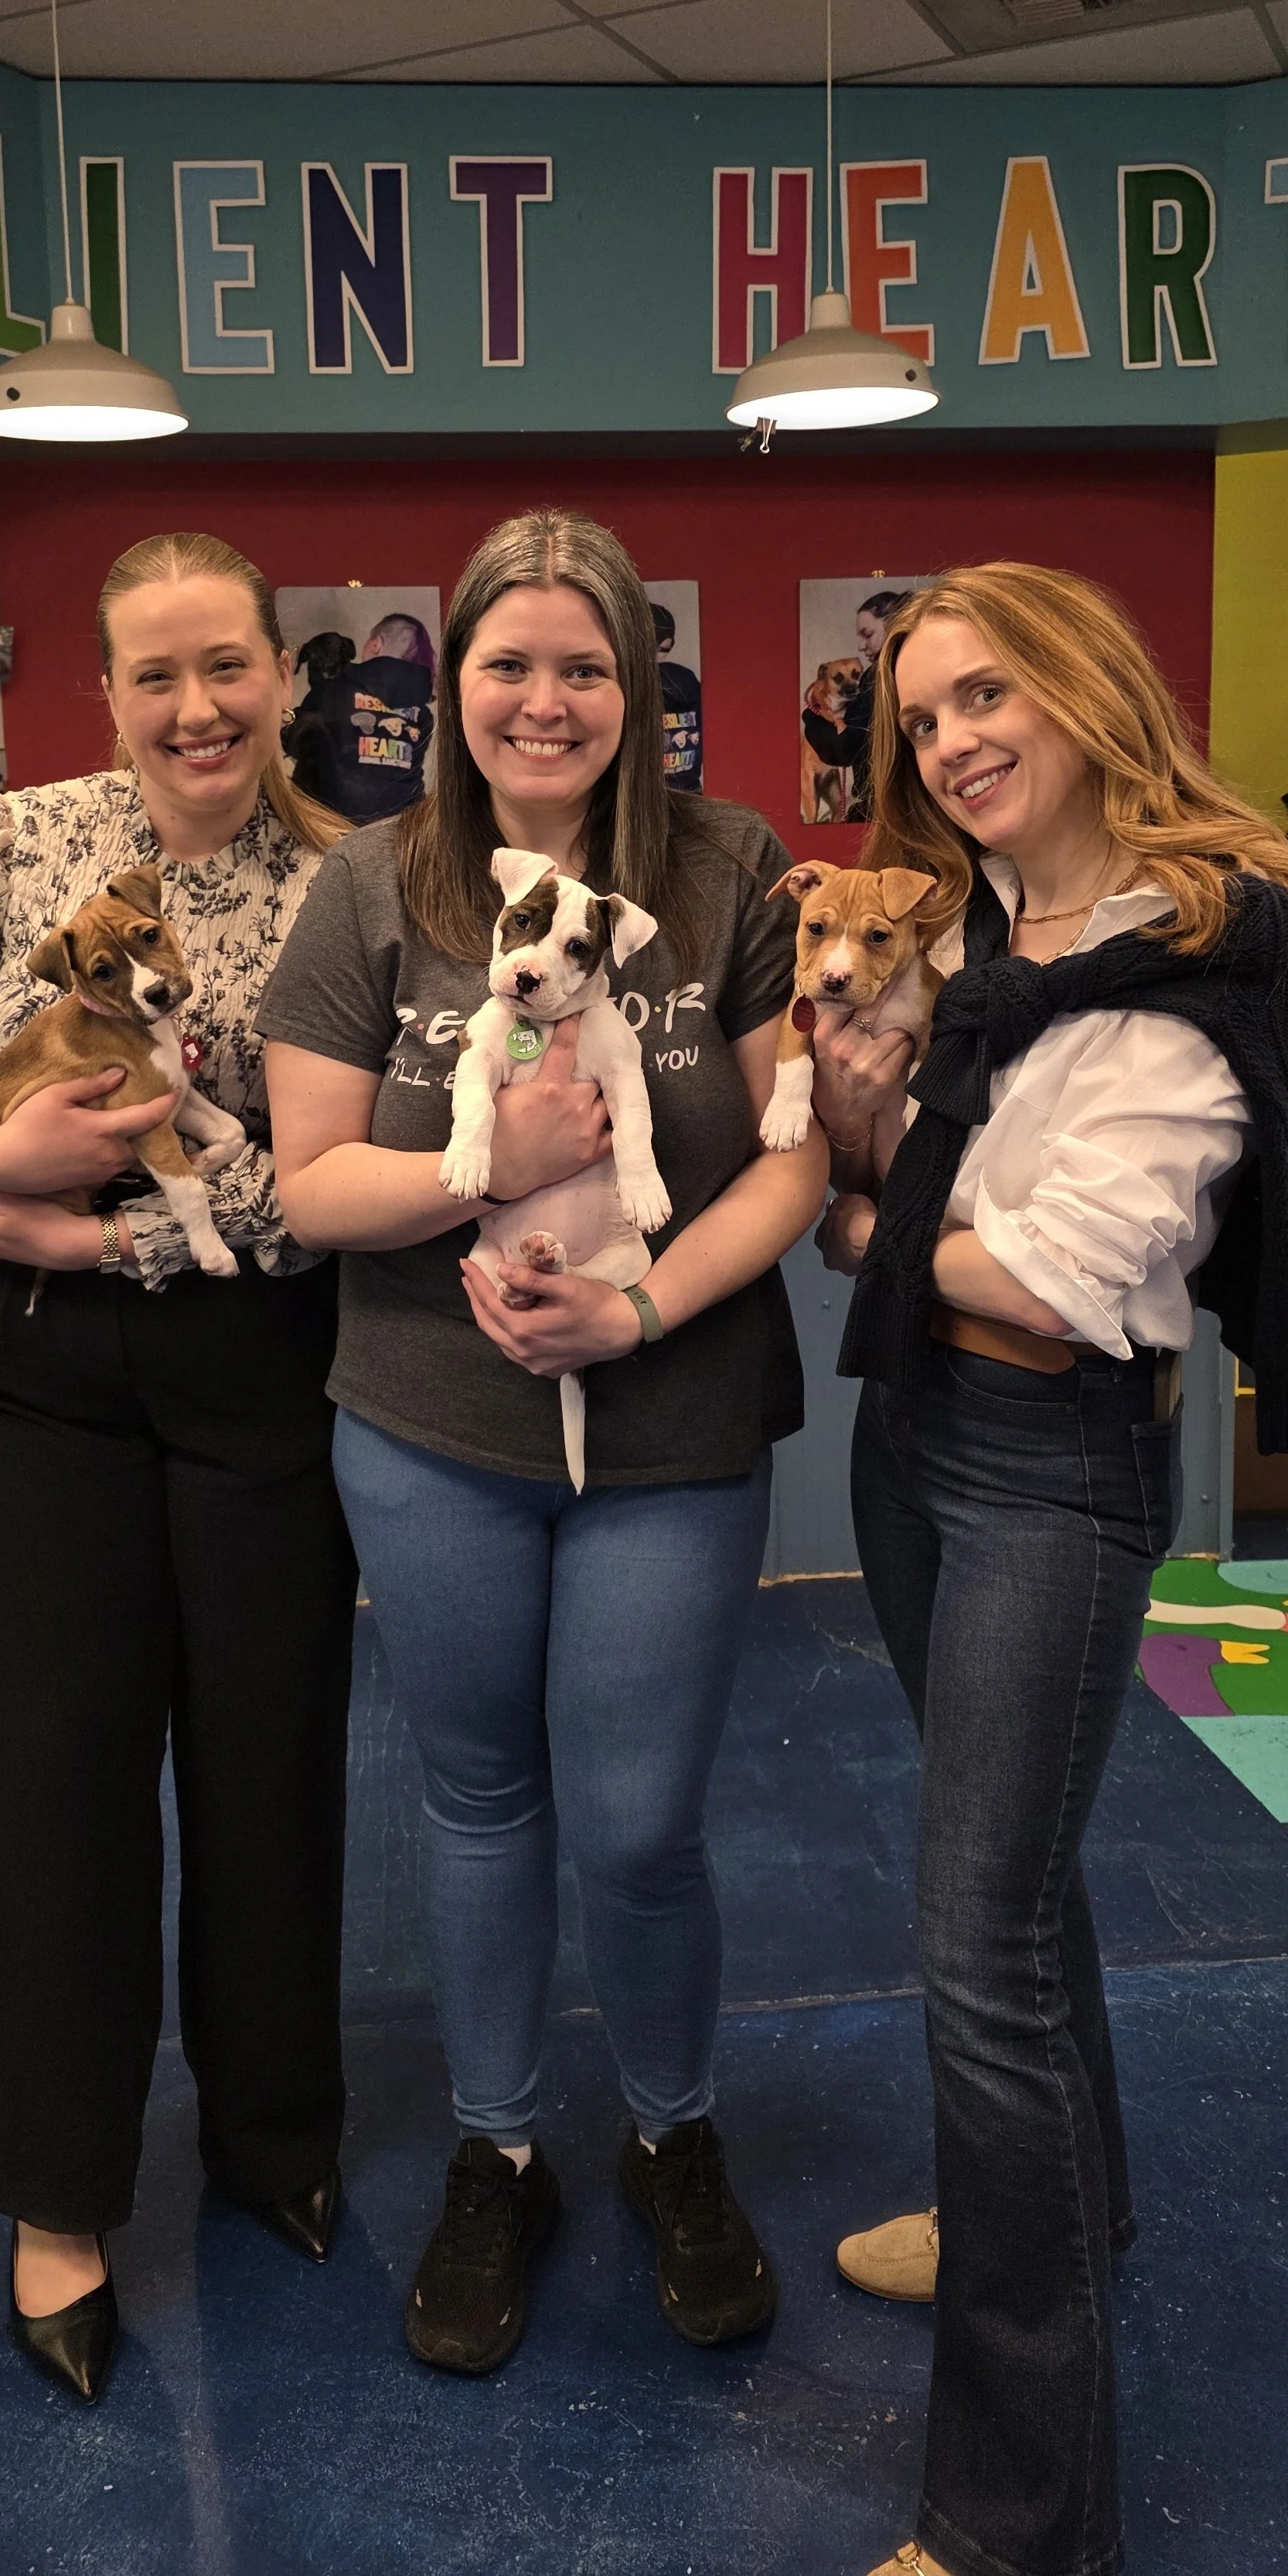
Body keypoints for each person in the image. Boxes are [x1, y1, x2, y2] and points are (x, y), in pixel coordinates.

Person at [801, 562, 1288, 2576]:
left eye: (987, 697)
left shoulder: (1198, 945)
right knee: (1023, 1887)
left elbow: (1061, 1279)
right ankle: (1061, 2216)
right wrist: (890, 1188)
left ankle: (1013, 2537)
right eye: (923, 718)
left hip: (1055, 1461)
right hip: (915, 1442)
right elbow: (897, 1180)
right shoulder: (976, 929)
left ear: (1080, 685)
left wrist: (887, 1213)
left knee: (974, 1947)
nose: (955, 742)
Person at [261, 508, 827, 2377]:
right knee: (478, 1799)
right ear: (451, 682)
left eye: (581, 662)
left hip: (664, 1422)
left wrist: (641, 1305)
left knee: (643, 1820)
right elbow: (308, 1181)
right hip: (426, 1428)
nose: (542, 696)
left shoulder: (732, 866)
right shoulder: (370, 886)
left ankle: (671, 2130)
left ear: (635, 686)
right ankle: (496, 2148)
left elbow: (787, 1160)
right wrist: (489, 1168)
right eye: (505, 659)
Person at [0, 531, 359, 2404]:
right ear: (106, 694)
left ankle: (275, 2135)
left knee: (271, 1749)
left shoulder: (349, 882)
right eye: (155, 674)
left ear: (282, 674)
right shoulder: (2, 844)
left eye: (227, 665)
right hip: (32, 1379)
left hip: (252, 1357)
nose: (195, 706)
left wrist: (96, 1230)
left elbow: (330, 1181)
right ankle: (59, 2198)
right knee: (59, 1769)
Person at [291, 609, 436, 821]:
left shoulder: (331, 692)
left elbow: (295, 741)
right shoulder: (423, 715)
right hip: (402, 827)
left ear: (376, 644)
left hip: (329, 828)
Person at [830, 586, 913, 823]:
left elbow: (853, 743)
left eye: (868, 634)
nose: (861, 645)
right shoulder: (879, 673)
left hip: (888, 807)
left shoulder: (882, 675)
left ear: (894, 622)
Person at [651, 600, 703, 791]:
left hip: (682, 789)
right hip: (687, 788)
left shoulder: (682, 679)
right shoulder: (685, 679)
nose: (659, 656)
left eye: (664, 650)